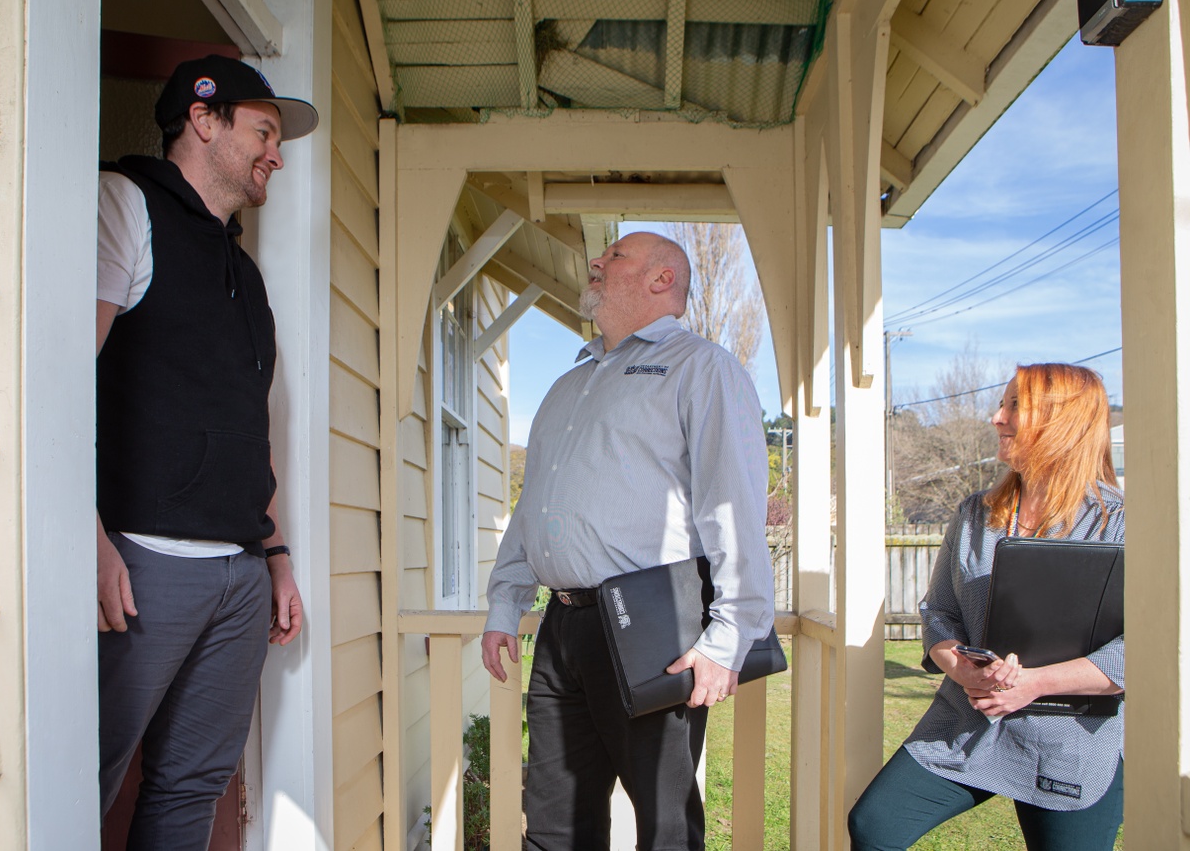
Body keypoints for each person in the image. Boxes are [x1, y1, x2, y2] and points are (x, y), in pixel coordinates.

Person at [481, 232, 775, 851]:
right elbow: (534, 506)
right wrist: (506, 601)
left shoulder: (703, 368)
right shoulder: (568, 386)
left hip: (651, 629)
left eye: (614, 256)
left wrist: (731, 637)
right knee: (555, 822)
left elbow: (735, 508)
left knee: (663, 827)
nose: (595, 262)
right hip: (561, 630)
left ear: (661, 280)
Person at [95, 54, 318, 849]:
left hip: (238, 576)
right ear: (203, 118)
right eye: (264, 131)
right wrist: (88, 536)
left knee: (191, 790)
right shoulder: (123, 206)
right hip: (143, 562)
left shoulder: (244, 271)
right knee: (82, 777)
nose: (277, 153)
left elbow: (245, 426)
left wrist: (278, 555)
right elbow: (61, 376)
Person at [848, 363, 1125, 851]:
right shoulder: (975, 514)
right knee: (874, 826)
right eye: (1003, 403)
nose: (997, 417)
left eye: (1016, 405)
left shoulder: (1120, 524)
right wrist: (961, 669)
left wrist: (1033, 685)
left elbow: (1143, 647)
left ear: (1065, 422)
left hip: (1072, 739)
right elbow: (938, 612)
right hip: (967, 719)